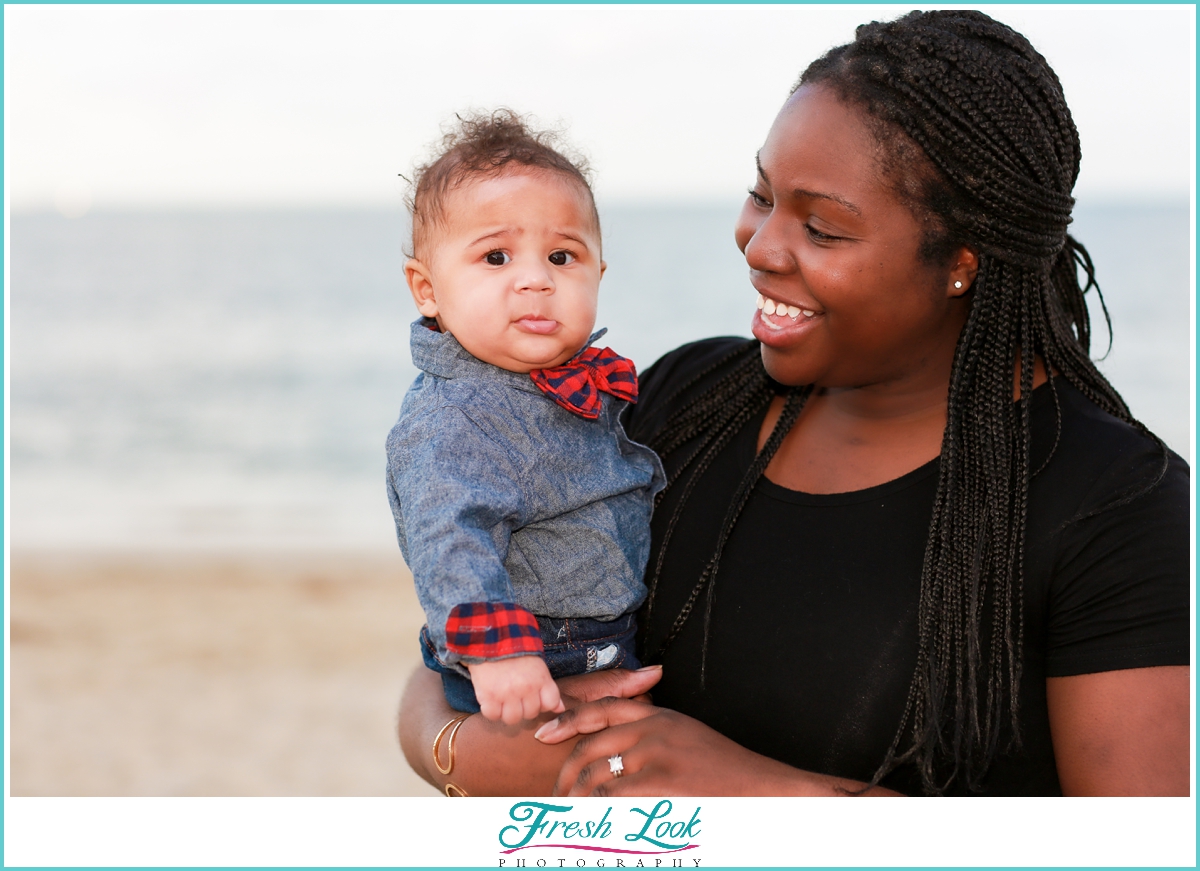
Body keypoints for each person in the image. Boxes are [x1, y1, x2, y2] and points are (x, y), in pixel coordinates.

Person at [398, 11, 1189, 796]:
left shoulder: (1117, 507)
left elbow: (1135, 848)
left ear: (961, 262)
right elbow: (435, 677)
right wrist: (495, 751)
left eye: (821, 227)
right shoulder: (683, 402)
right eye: (762, 195)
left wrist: (750, 791)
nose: (761, 245)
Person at [387, 110, 666, 727]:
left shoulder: (563, 382)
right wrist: (500, 656)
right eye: (496, 258)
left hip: (589, 633)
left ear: (598, 273)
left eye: (563, 257)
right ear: (427, 289)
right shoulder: (458, 415)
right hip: (534, 653)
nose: (535, 280)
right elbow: (448, 537)